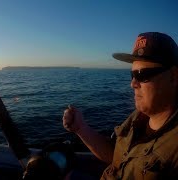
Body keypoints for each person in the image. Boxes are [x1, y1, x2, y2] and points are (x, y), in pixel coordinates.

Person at [63, 32, 178, 179]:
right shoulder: (138, 117)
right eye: (132, 75)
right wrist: (81, 128)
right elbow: (115, 155)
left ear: (174, 76)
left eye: (142, 74)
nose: (133, 84)